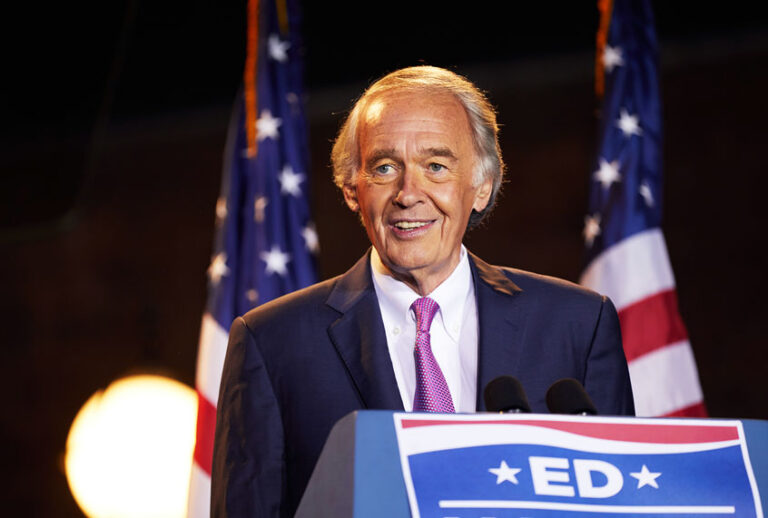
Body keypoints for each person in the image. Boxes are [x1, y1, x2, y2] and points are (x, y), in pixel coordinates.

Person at [211, 65, 634, 518]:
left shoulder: (577, 324)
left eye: (436, 166)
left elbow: (623, 503)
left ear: (481, 186)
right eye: (385, 167)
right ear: (352, 190)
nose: (409, 193)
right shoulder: (274, 342)